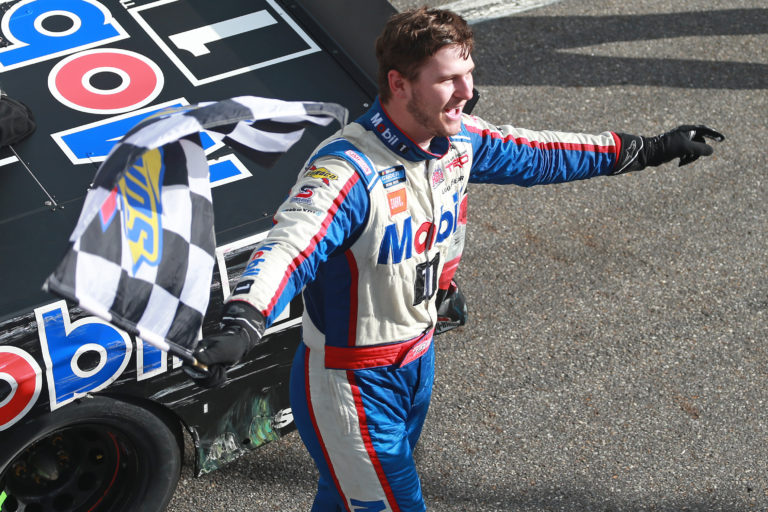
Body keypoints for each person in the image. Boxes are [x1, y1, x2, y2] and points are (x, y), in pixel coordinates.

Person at [187, 7, 724, 511]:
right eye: (448, 80)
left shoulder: (459, 139)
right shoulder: (347, 170)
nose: (468, 92)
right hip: (350, 383)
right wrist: (245, 318)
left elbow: (546, 152)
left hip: (416, 363)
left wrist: (653, 148)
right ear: (398, 84)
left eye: (468, 74)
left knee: (345, 501)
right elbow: (289, 245)